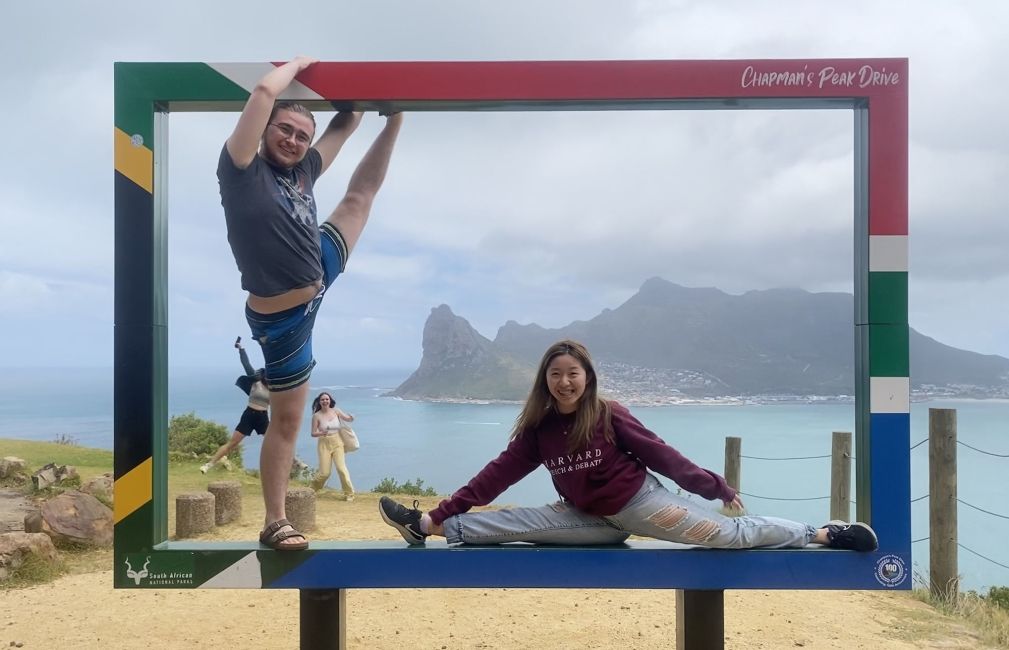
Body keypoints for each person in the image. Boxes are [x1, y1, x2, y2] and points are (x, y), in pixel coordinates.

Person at [379, 339, 879, 552]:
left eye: (572, 374)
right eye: (555, 375)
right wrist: (445, 510)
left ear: (587, 377)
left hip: (642, 506)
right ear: (545, 381)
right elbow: (496, 474)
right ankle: (423, 525)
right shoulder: (540, 429)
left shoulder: (608, 414)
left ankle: (821, 533)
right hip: (588, 520)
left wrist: (713, 487)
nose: (564, 382)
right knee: (516, 525)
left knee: (726, 537)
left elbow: (661, 454)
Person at [218, 56, 403, 550]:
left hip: (319, 270)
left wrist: (389, 105)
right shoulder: (241, 171)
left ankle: (401, 122)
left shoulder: (303, 170)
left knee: (359, 200)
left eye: (303, 134)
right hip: (283, 319)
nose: (294, 140)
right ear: (266, 129)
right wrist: (297, 64)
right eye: (286, 129)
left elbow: (346, 122)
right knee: (287, 420)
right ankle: (276, 521)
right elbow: (261, 93)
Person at [200, 337, 269, 474]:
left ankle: (296, 461)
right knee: (233, 443)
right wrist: (241, 349)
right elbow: (246, 365)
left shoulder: (275, 389)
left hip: (263, 417)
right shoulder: (256, 382)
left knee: (275, 442)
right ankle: (209, 464)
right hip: (249, 415)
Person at [309, 392, 356, 500]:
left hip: (337, 442)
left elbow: (347, 418)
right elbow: (313, 433)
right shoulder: (316, 416)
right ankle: (311, 490)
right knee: (324, 473)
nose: (325, 401)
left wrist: (351, 417)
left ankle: (349, 494)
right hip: (324, 444)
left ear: (330, 400)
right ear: (319, 402)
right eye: (322, 400)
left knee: (341, 469)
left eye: (327, 399)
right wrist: (322, 433)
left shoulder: (336, 411)